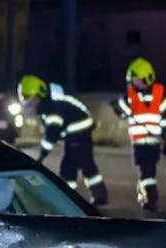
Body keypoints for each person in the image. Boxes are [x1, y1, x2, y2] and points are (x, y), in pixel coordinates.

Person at [18, 75, 108, 206]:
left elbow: (52, 134)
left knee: (70, 166)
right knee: (85, 164)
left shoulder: (51, 106)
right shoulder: (48, 102)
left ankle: (70, 199)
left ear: (38, 95)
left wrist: (42, 155)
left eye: (29, 98)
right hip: (78, 131)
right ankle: (98, 196)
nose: (27, 102)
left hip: (78, 131)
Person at [112, 57, 166, 212]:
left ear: (148, 78)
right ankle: (147, 195)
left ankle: (148, 196)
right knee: (145, 170)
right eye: (132, 80)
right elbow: (123, 111)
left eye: (136, 80)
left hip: (153, 142)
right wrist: (117, 107)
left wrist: (164, 136)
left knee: (147, 170)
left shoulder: (159, 95)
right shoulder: (132, 95)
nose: (133, 83)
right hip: (140, 142)